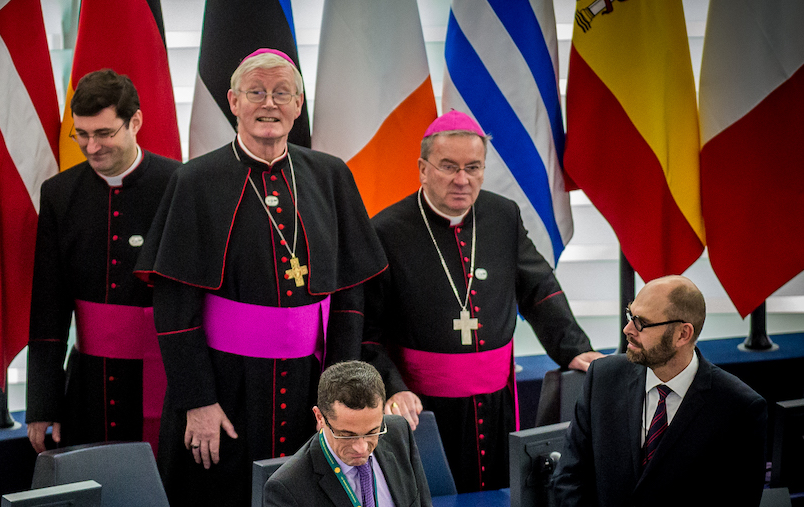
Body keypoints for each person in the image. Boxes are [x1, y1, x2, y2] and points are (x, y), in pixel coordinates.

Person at [134, 48, 388, 507]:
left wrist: (341, 399)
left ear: (298, 105)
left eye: (281, 93)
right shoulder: (196, 181)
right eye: (256, 92)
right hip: (225, 388)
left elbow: (349, 298)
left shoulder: (330, 176)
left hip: (310, 385)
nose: (269, 104)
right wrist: (198, 401)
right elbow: (174, 307)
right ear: (233, 101)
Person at [363, 109, 603, 492]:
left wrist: (575, 348)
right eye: (448, 167)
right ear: (423, 169)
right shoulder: (385, 230)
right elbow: (367, 333)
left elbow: (539, 287)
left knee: (502, 493)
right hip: (423, 408)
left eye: (473, 168)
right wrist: (393, 388)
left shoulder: (503, 215)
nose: (462, 180)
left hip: (497, 403)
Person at [26, 69, 179, 454]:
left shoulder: (178, 184)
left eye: (104, 133)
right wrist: (42, 405)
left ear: (135, 121)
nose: (91, 147)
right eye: (81, 134)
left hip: (163, 375)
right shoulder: (59, 193)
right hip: (87, 381)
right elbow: (48, 307)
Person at [552, 275, 766, 506]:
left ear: (682, 334)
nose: (627, 329)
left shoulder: (739, 408)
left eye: (641, 323)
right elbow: (569, 478)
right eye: (630, 315)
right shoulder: (602, 378)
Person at [265, 361, 433, 507]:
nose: (361, 448)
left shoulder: (398, 431)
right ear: (320, 418)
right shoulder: (287, 488)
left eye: (372, 432)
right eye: (347, 435)